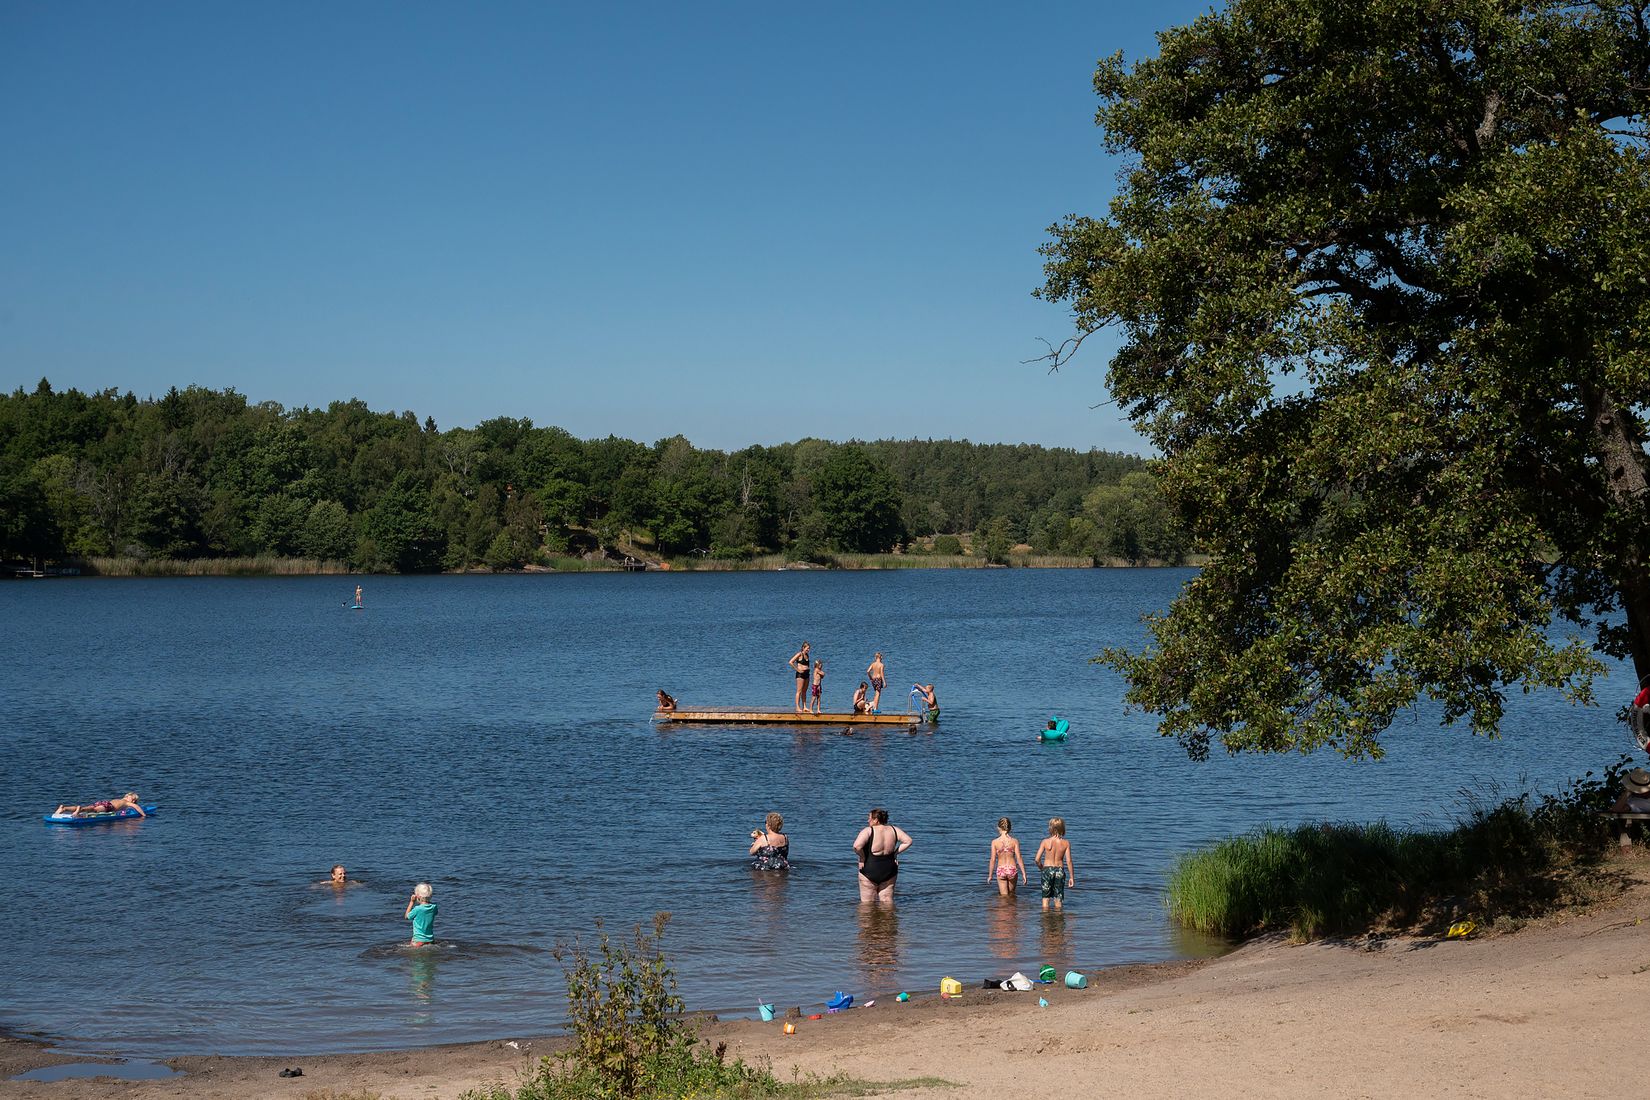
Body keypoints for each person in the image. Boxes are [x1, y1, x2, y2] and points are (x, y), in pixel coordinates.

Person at [853, 808, 912, 905]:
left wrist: (862, 857)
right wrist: (895, 853)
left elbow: (856, 846)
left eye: (869, 818)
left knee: (867, 905)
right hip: (889, 869)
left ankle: (869, 920)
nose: (868, 821)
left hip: (870, 869)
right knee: (887, 902)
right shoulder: (894, 829)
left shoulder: (868, 831)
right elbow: (908, 841)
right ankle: (887, 920)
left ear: (876, 820)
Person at [1034, 818, 1075, 911]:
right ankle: (1058, 922)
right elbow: (1069, 861)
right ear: (1062, 828)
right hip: (1059, 870)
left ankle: (1045, 920)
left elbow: (1037, 859)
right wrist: (1072, 877)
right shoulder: (1066, 843)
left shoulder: (1045, 841)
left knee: (1045, 898)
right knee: (1058, 898)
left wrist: (1042, 869)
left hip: (1047, 869)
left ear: (1051, 828)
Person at [987, 816, 1026, 896]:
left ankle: (1003, 908)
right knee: (1012, 894)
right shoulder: (1014, 841)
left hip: (1001, 869)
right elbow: (1019, 857)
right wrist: (1024, 874)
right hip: (1012, 869)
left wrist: (990, 875)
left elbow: (993, 859)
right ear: (1010, 828)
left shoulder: (994, 842)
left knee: (1004, 896)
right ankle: (1012, 907)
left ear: (998, 828)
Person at [55, 792, 144, 817]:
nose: (133, 802)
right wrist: (143, 815)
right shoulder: (127, 803)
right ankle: (79, 810)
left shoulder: (120, 799)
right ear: (130, 798)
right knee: (94, 810)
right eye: (134, 800)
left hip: (105, 802)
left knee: (90, 807)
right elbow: (136, 807)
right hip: (109, 807)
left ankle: (64, 808)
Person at [789, 643, 811, 713]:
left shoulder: (807, 655)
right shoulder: (799, 654)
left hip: (807, 674)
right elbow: (791, 662)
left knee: (804, 691)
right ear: (803, 648)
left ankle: (804, 707)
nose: (808, 649)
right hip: (800, 675)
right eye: (807, 648)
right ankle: (797, 707)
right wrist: (798, 670)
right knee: (799, 691)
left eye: (809, 648)